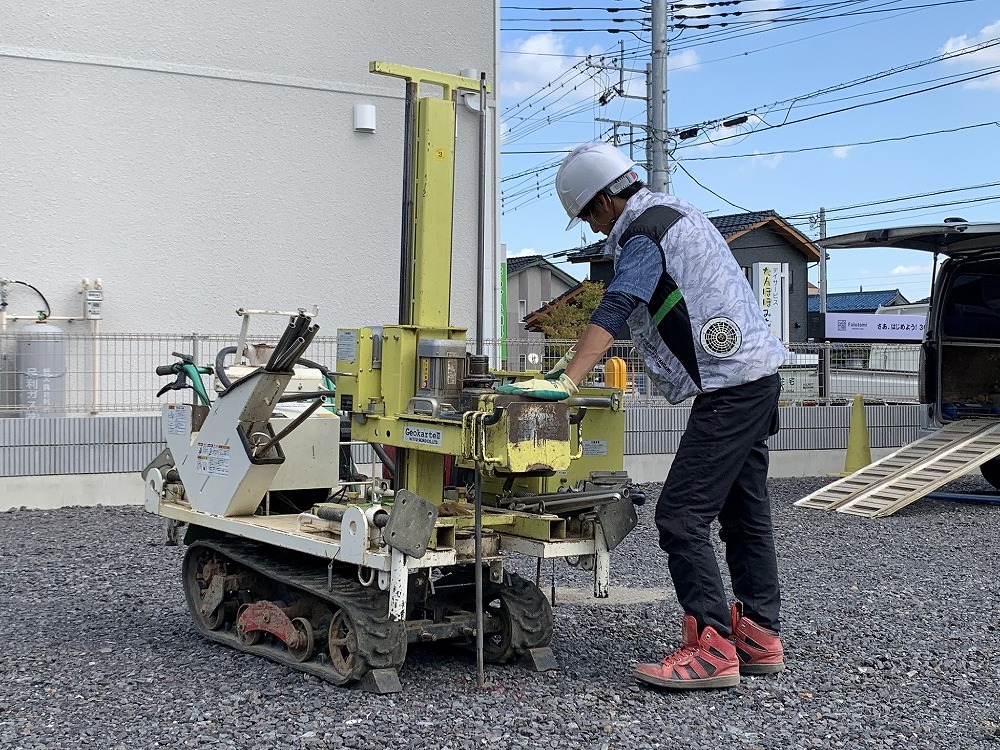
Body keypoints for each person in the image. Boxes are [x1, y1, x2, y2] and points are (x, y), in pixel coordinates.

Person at [497, 142, 787, 690]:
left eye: (588, 214)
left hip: (730, 388)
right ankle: (759, 633)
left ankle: (711, 648)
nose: (592, 228)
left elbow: (618, 303)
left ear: (607, 199)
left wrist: (566, 379)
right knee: (744, 513)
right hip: (755, 378)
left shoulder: (643, 231)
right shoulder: (678, 214)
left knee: (680, 516)